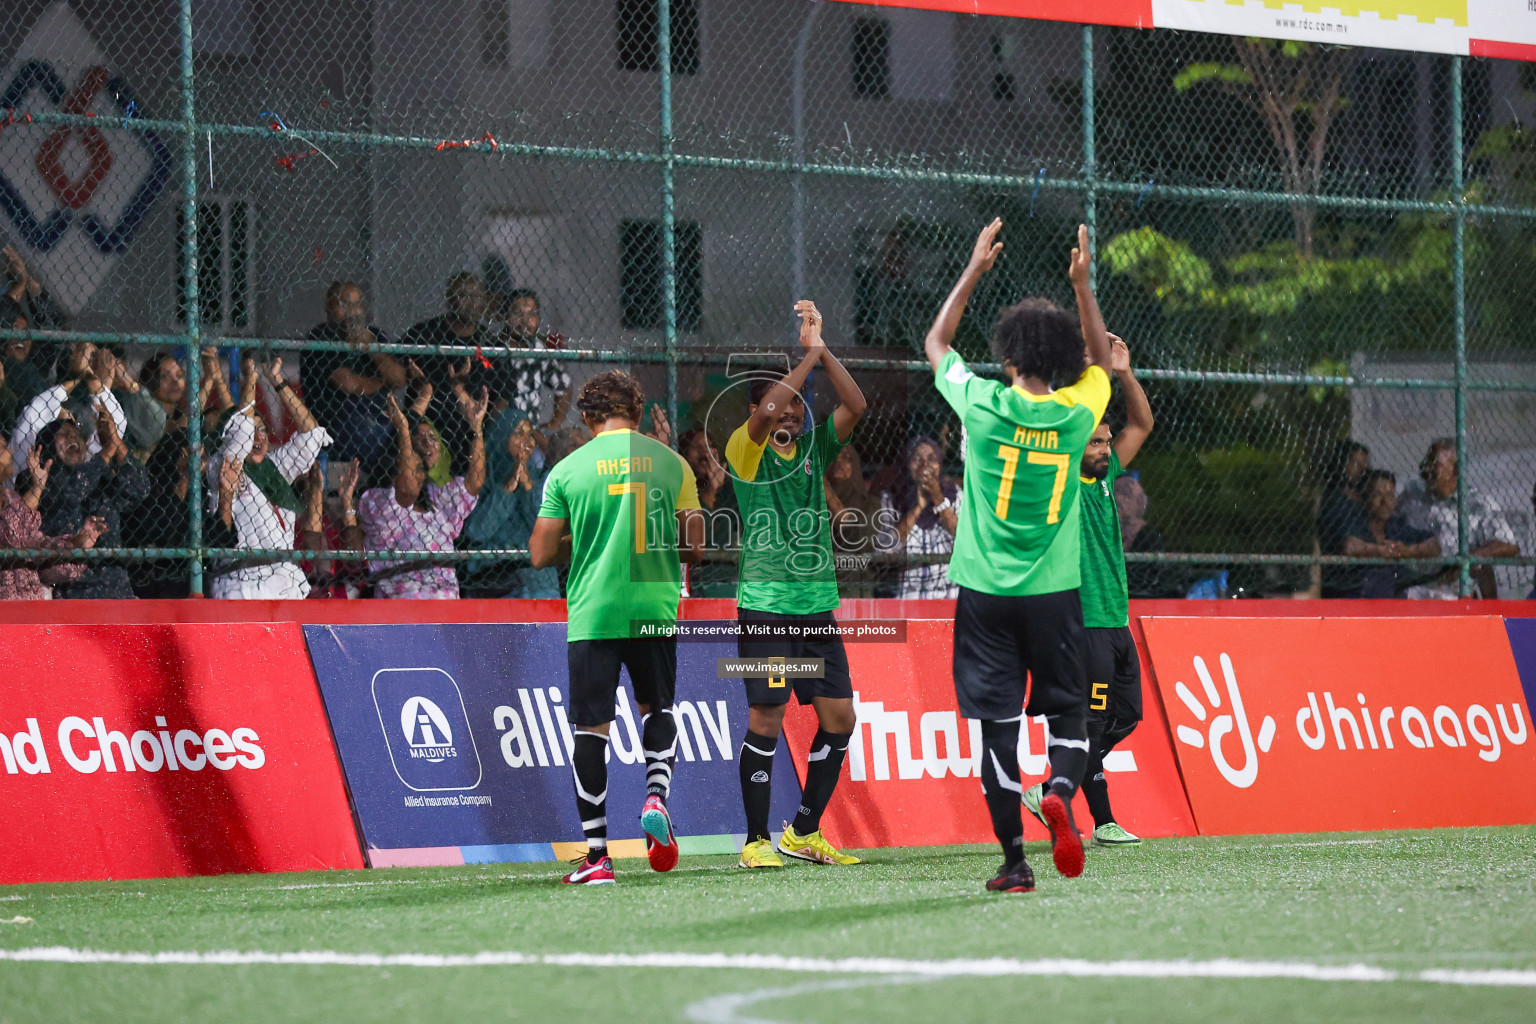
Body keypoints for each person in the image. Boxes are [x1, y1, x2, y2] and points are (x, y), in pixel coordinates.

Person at [924, 219, 1112, 893]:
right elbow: (1100, 365)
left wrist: (974, 268)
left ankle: (1014, 861)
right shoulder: (1075, 413)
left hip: (984, 594)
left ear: (1008, 356)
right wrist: (1083, 288)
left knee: (996, 732)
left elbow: (938, 341)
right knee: (1069, 713)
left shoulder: (981, 403)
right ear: (1062, 361)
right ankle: (1060, 785)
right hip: (1054, 594)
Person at [529, 371, 704, 884]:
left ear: (586, 417)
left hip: (595, 611)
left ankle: (598, 856)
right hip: (654, 607)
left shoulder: (567, 470)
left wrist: (584, 537)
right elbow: (695, 546)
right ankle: (655, 796)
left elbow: (539, 553)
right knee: (658, 709)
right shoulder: (672, 464)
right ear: (638, 410)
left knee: (591, 728)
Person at [727, 300, 867, 870]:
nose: (787, 415)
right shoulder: (745, 449)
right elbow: (765, 410)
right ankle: (756, 840)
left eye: (796, 410)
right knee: (767, 718)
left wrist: (822, 351)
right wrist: (805, 359)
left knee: (841, 721)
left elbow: (856, 404)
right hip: (766, 610)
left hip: (816, 611)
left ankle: (802, 832)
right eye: (780, 408)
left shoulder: (814, 448)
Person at [1021, 334, 1152, 849]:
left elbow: (1141, 424)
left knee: (1127, 716)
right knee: (1092, 723)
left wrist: (1122, 371)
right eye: (1093, 443)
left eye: (1104, 441)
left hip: (1115, 621)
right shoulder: (1061, 483)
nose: (1102, 450)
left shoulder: (1105, 475)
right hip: (1084, 625)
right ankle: (1098, 820)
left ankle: (1053, 789)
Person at [205, 356, 332, 600]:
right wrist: (251, 380)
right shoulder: (223, 463)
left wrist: (277, 381)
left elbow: (312, 436)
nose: (258, 438)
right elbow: (240, 432)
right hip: (242, 581)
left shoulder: (275, 466)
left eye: (262, 430)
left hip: (285, 580)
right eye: (252, 432)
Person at [359, 385, 488, 600]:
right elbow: (407, 491)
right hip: (403, 609)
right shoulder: (377, 501)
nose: (429, 443)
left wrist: (476, 427)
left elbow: (475, 482)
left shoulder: (437, 499)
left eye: (432, 437)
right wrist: (402, 429)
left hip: (445, 606)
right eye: (420, 438)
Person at [26, 412, 147, 598]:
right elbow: (73, 492)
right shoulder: (41, 482)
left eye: (75, 433)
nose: (72, 436)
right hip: (74, 594)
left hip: (117, 591)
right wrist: (107, 452)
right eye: (63, 434)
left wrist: (117, 444)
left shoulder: (99, 477)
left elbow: (140, 489)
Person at [301, 281, 406, 474]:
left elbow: (399, 378)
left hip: (379, 421)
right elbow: (349, 384)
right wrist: (384, 383)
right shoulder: (320, 337)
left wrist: (371, 347)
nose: (351, 311)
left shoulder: (374, 335)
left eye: (356, 305)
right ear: (329, 309)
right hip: (337, 424)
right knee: (373, 435)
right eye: (343, 305)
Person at [1398, 439, 1520, 599]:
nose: (1426, 469)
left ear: (1456, 470)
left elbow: (1509, 545)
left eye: (1434, 465)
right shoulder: (1412, 493)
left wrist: (1465, 558)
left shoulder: (1477, 503)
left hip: (1452, 594)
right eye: (1425, 463)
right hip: (1413, 591)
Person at [459, 408, 560, 598]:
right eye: (518, 434)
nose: (527, 442)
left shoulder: (542, 478)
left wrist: (527, 484)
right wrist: (508, 488)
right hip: (498, 584)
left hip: (540, 586)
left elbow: (546, 528)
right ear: (501, 437)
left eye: (530, 435)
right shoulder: (481, 480)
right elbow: (477, 531)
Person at [401, 273, 493, 467]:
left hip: (470, 426)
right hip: (427, 424)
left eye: (478, 297)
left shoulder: (489, 342)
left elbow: (502, 394)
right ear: (450, 299)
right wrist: (410, 378)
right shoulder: (423, 334)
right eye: (465, 295)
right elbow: (394, 372)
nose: (472, 302)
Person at [0, 435, 106, 599]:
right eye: (2, 447)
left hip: (30, 603)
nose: (10, 451)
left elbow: (37, 549)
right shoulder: (14, 509)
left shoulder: (11, 499)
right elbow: (12, 534)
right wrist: (37, 489)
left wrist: (75, 544)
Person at [8, 342, 126, 479]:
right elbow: (33, 414)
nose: (72, 436)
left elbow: (116, 423)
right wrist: (88, 377)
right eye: (62, 432)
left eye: (74, 430)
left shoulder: (88, 458)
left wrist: (91, 378)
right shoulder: (25, 462)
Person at [484, 289, 573, 444]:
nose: (525, 321)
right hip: (498, 431)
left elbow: (564, 385)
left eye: (532, 314)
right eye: (518, 314)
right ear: (506, 316)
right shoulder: (494, 348)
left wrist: (554, 423)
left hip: (530, 432)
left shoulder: (538, 347)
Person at [878, 436, 961, 600]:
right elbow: (885, 549)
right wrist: (918, 508)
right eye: (917, 459)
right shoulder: (892, 498)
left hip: (949, 596)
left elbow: (963, 540)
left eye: (932, 460)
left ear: (940, 465)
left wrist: (937, 497)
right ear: (907, 464)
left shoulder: (955, 494)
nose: (925, 466)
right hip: (910, 597)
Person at [1341, 469, 1441, 598]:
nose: (1385, 502)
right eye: (1377, 495)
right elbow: (1350, 546)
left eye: (1390, 496)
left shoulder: (1395, 526)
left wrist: (1408, 551)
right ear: (1365, 497)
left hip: (1392, 600)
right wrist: (1380, 551)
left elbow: (1434, 545)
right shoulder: (1355, 520)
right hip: (1358, 599)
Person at [677, 425, 738, 598]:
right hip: (698, 578)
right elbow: (694, 533)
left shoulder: (729, 490)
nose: (705, 453)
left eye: (709, 446)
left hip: (729, 576)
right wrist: (711, 490)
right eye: (696, 447)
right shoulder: (681, 489)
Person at [824, 444, 880, 598]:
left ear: (854, 465)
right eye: (831, 457)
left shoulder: (869, 504)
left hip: (853, 588)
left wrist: (824, 487)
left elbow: (854, 535)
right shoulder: (813, 503)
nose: (838, 463)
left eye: (845, 458)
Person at [1318, 441, 1370, 598]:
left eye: (1364, 464)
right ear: (1342, 463)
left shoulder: (1361, 500)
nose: (1361, 469)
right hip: (1341, 580)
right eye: (1355, 463)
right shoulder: (1336, 500)